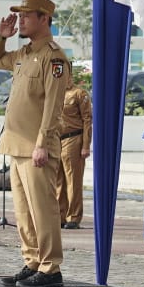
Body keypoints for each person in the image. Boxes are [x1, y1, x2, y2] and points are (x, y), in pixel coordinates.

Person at [0, 0, 71, 287]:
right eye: (20, 15)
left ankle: (51, 268)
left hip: (37, 147)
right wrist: (1, 37)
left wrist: (42, 143)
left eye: (26, 16)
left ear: (44, 19)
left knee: (43, 209)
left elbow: (53, 105)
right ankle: (33, 260)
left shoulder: (55, 57)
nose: (21, 20)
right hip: (16, 144)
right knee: (23, 212)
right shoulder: (23, 54)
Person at [53, 74, 92, 229]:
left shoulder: (79, 94)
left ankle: (73, 217)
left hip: (73, 138)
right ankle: (60, 216)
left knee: (73, 181)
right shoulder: (54, 93)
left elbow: (87, 120)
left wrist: (86, 145)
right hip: (57, 140)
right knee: (58, 181)